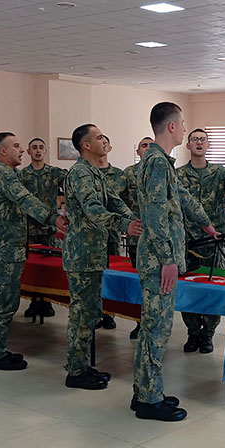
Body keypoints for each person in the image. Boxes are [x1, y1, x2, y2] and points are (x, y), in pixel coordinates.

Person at [134, 102, 216, 421]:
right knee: (157, 329)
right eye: (182, 124)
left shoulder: (160, 162)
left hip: (157, 258)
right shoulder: (157, 162)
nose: (183, 129)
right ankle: (149, 400)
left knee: (152, 328)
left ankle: (144, 390)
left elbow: (181, 196)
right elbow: (155, 215)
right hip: (159, 261)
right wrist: (168, 259)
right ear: (171, 126)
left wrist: (206, 223)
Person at [63, 124, 140, 389]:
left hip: (93, 253)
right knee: (81, 314)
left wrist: (136, 220)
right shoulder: (80, 173)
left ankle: (83, 365)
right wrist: (125, 225)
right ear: (86, 145)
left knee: (90, 312)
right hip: (82, 254)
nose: (103, 140)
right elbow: (94, 210)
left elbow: (114, 201)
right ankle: (75, 371)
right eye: (98, 137)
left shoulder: (95, 172)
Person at [0, 132, 67, 371]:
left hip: (8, 249)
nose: (22, 150)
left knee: (6, 303)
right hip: (4, 251)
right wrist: (53, 218)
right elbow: (26, 200)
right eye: (17, 146)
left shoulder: (6, 173)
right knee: (3, 304)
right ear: (3, 151)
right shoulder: (4, 175)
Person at [176, 128, 225, 354]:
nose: (199, 143)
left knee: (214, 287)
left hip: (215, 240)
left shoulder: (219, 173)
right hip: (188, 239)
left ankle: (208, 333)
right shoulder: (178, 175)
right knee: (189, 288)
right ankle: (193, 331)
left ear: (208, 145)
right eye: (194, 139)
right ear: (188, 145)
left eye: (203, 140)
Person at [19, 137, 67, 319]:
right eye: (34, 148)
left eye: (41, 147)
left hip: (49, 229)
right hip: (30, 228)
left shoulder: (54, 173)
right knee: (32, 267)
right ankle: (33, 302)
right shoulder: (22, 175)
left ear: (45, 151)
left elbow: (71, 184)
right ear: (28, 151)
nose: (38, 150)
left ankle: (47, 302)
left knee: (48, 267)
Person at [122, 136, 153, 340]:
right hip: (136, 237)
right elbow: (118, 200)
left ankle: (155, 324)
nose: (148, 148)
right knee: (139, 282)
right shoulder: (128, 174)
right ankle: (140, 323)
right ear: (138, 152)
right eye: (144, 145)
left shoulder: (163, 170)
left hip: (158, 238)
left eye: (151, 145)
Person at [95, 135, 123, 331]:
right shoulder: (88, 173)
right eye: (100, 142)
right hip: (92, 234)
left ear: (110, 148)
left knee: (111, 274)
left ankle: (109, 313)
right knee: (94, 276)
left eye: (106, 143)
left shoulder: (119, 175)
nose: (103, 146)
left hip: (112, 233)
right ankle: (96, 312)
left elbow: (124, 203)